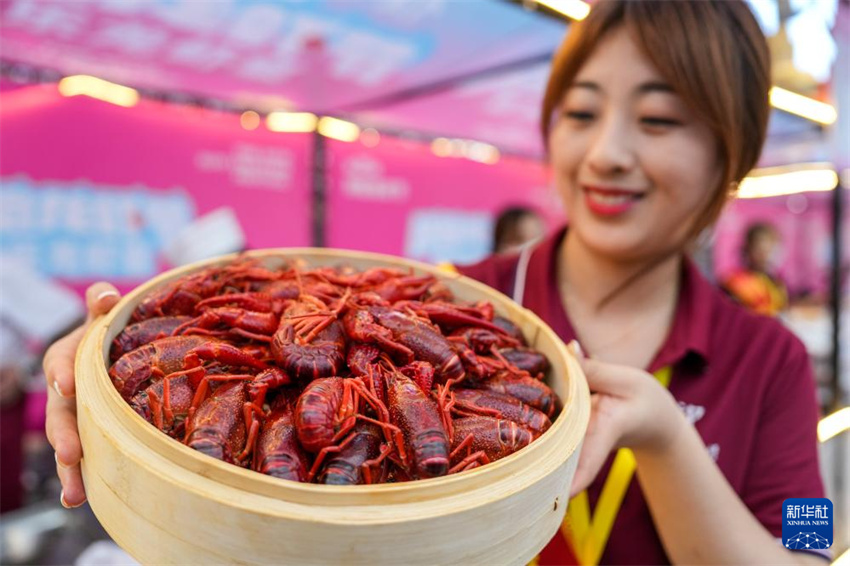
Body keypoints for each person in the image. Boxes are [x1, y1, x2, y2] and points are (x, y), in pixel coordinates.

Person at [42, 1, 826, 564]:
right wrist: (122, 350)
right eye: (581, 113)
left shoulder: (777, 361)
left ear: (734, 154)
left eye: (658, 121)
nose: (606, 154)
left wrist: (664, 436)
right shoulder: (452, 299)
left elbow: (808, 554)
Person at [722, 222, 788, 316]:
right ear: (748, 249)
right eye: (759, 251)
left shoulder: (776, 283)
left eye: (769, 251)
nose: (764, 256)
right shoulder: (735, 282)